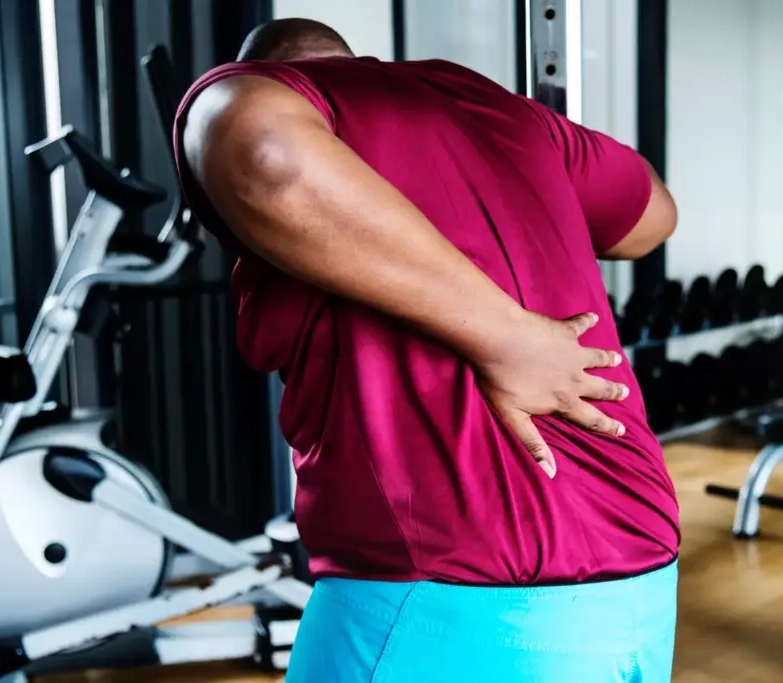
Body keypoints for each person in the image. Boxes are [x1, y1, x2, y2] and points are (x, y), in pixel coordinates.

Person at [175, 18, 679, 683]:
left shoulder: (264, 93)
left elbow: (264, 151)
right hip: (638, 571)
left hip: (453, 582)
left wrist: (506, 335)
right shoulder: (497, 108)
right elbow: (653, 216)